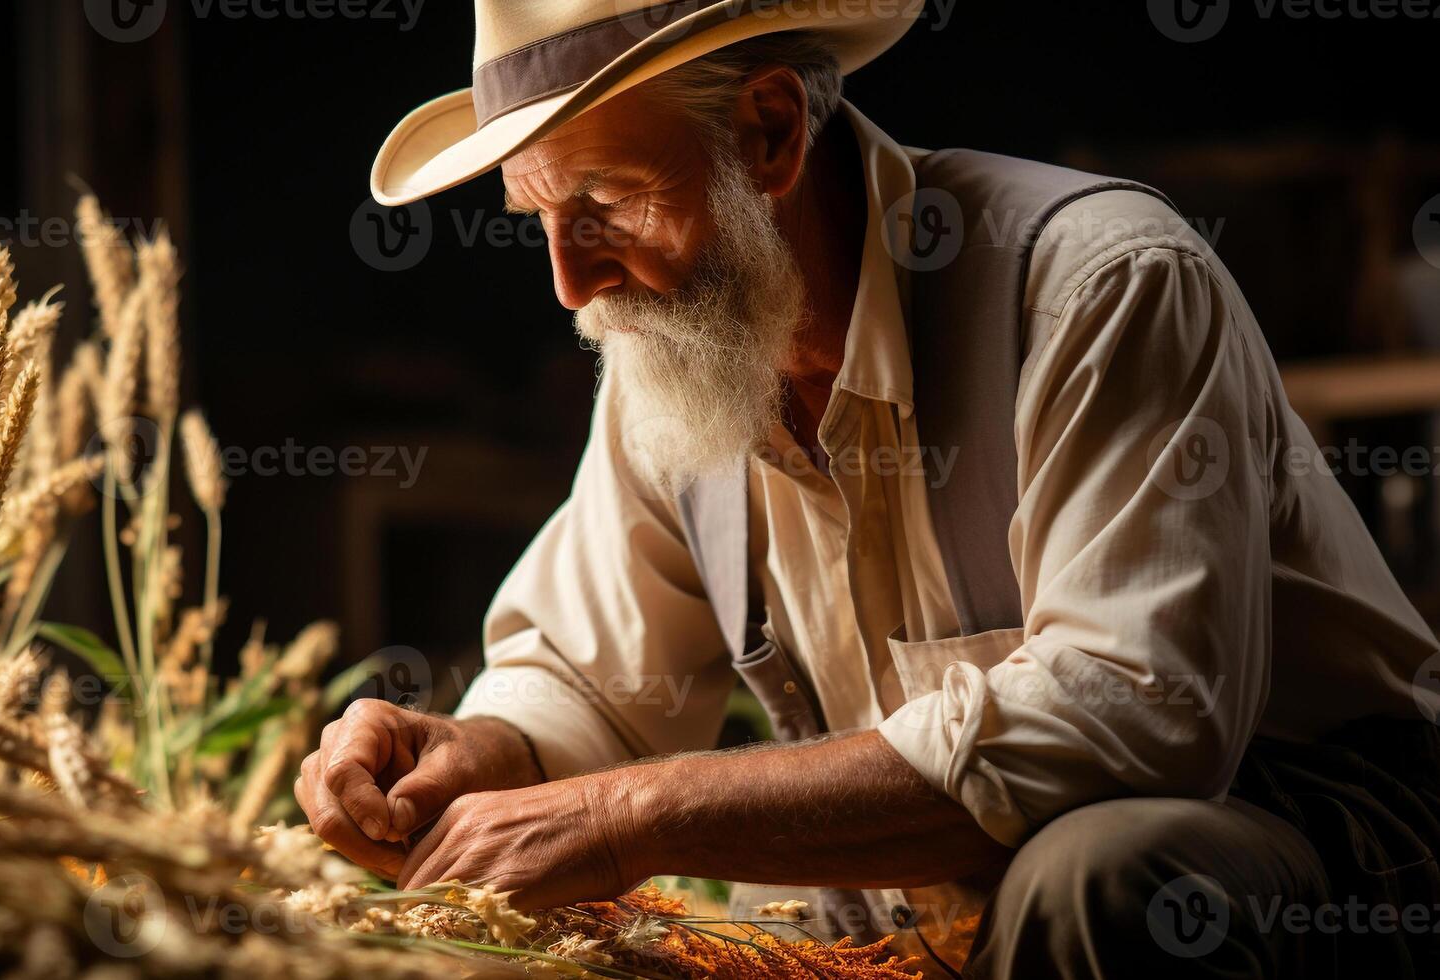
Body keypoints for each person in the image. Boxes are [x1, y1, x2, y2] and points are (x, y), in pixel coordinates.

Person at [297, 3, 1440, 976]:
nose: (568, 281)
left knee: (1100, 875)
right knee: (748, 927)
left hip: (1312, 842)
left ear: (769, 133)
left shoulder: (1097, 287)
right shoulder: (673, 352)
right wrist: (474, 752)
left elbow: (1132, 715)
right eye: (540, 218)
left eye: (606, 200)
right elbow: (588, 684)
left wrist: (623, 815)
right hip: (937, 894)